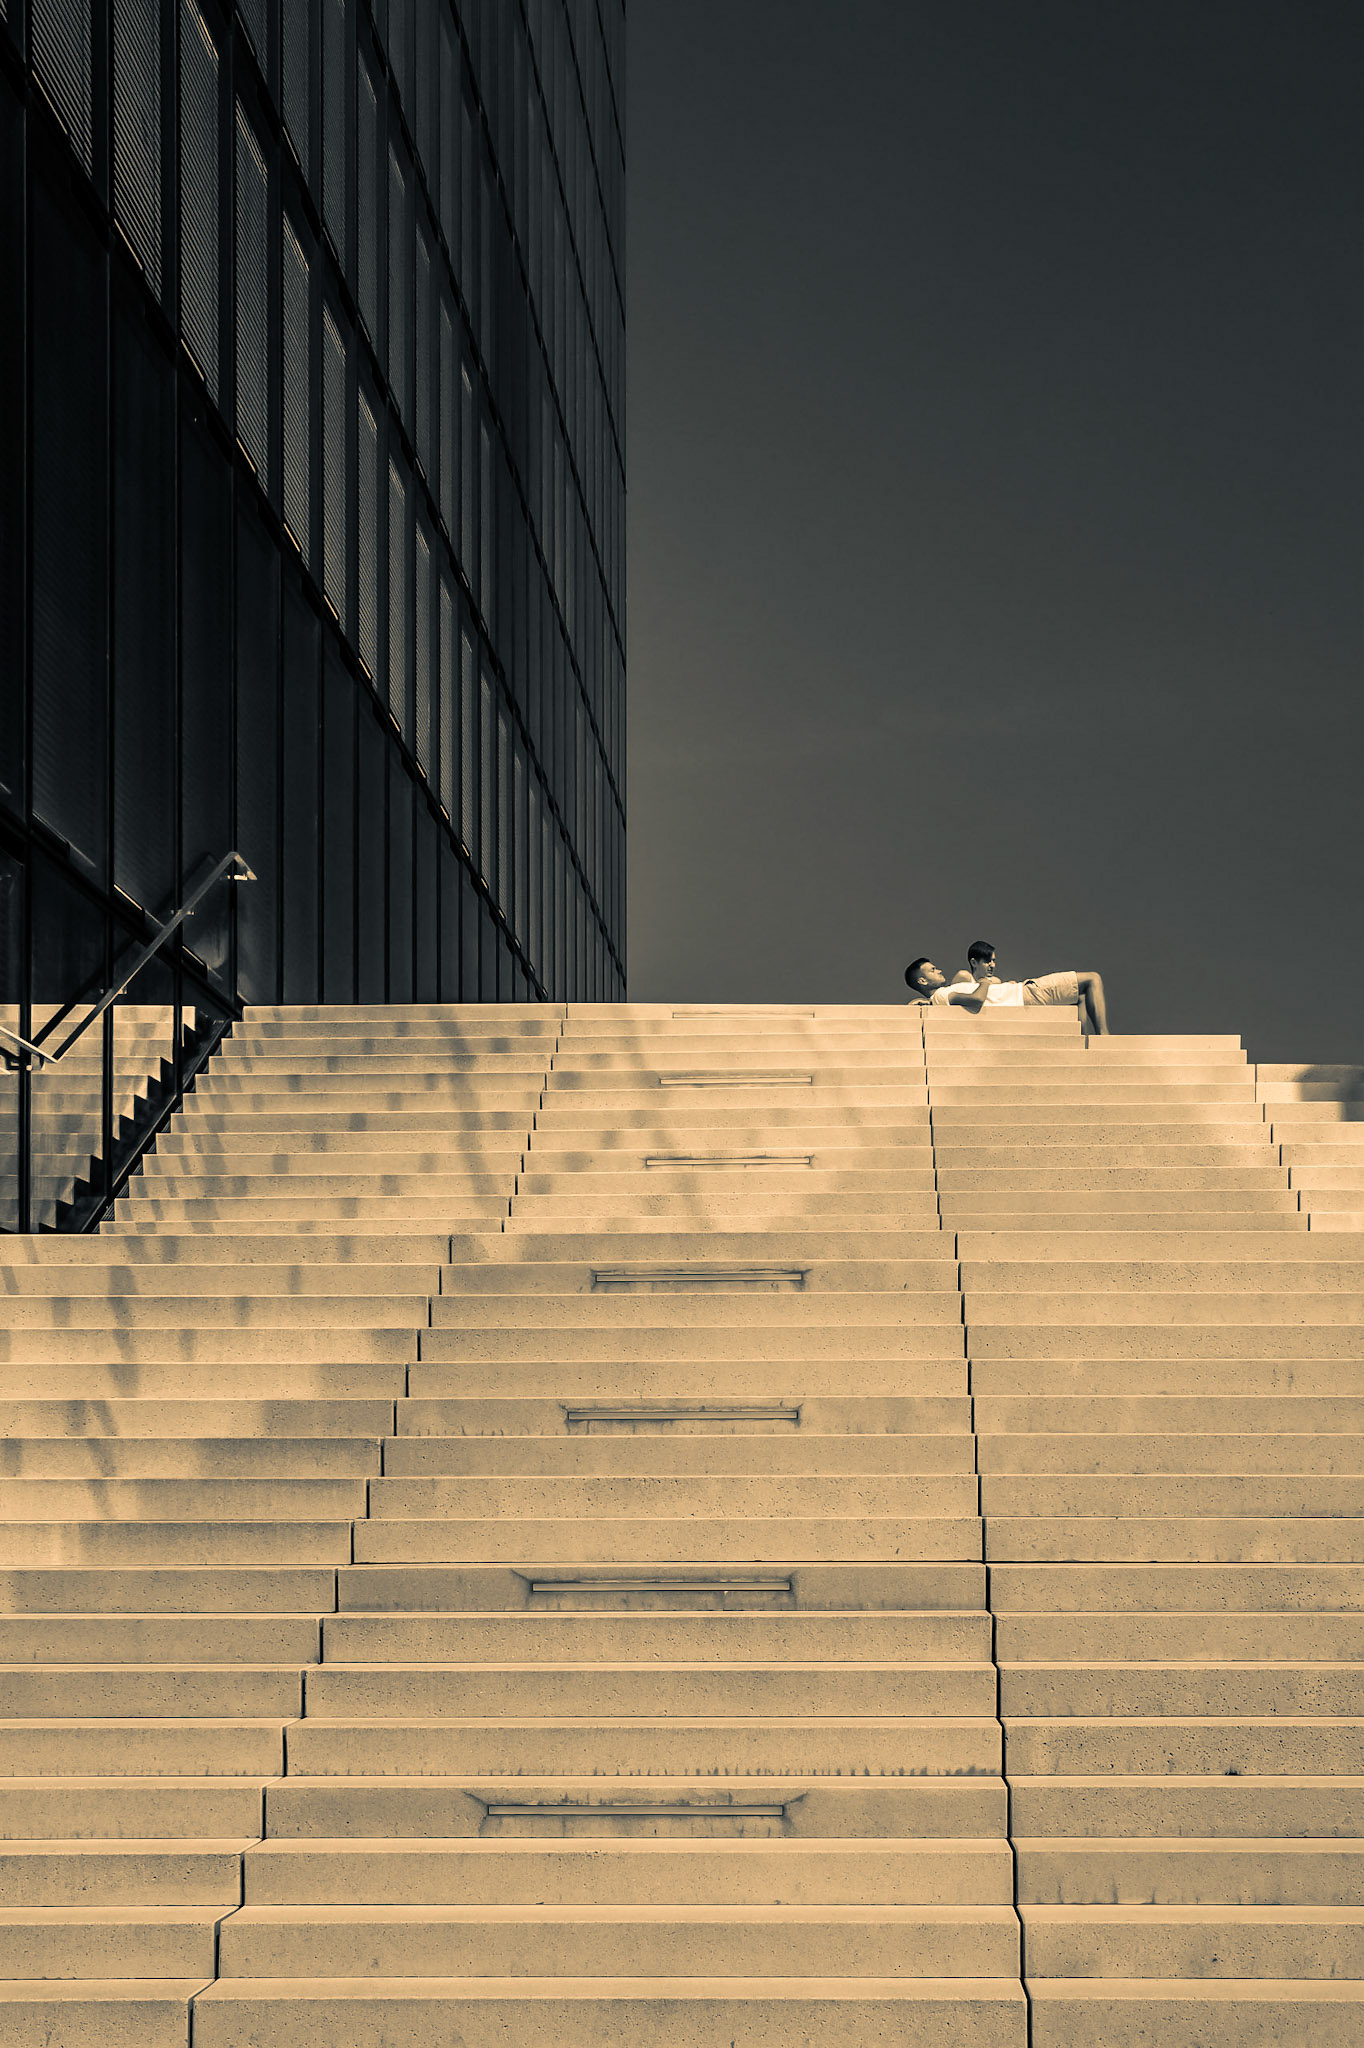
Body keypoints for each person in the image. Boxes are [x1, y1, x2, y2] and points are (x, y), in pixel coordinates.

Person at [905, 941, 1109, 1034]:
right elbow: (976, 1000)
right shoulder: (942, 995)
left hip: (1026, 993)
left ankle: (1085, 1039)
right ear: (922, 981)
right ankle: (1103, 1038)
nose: (939, 970)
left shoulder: (940, 996)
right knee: (1092, 979)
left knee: (1080, 996)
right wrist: (985, 981)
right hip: (1028, 993)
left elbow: (954, 1001)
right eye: (932, 970)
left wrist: (926, 1003)